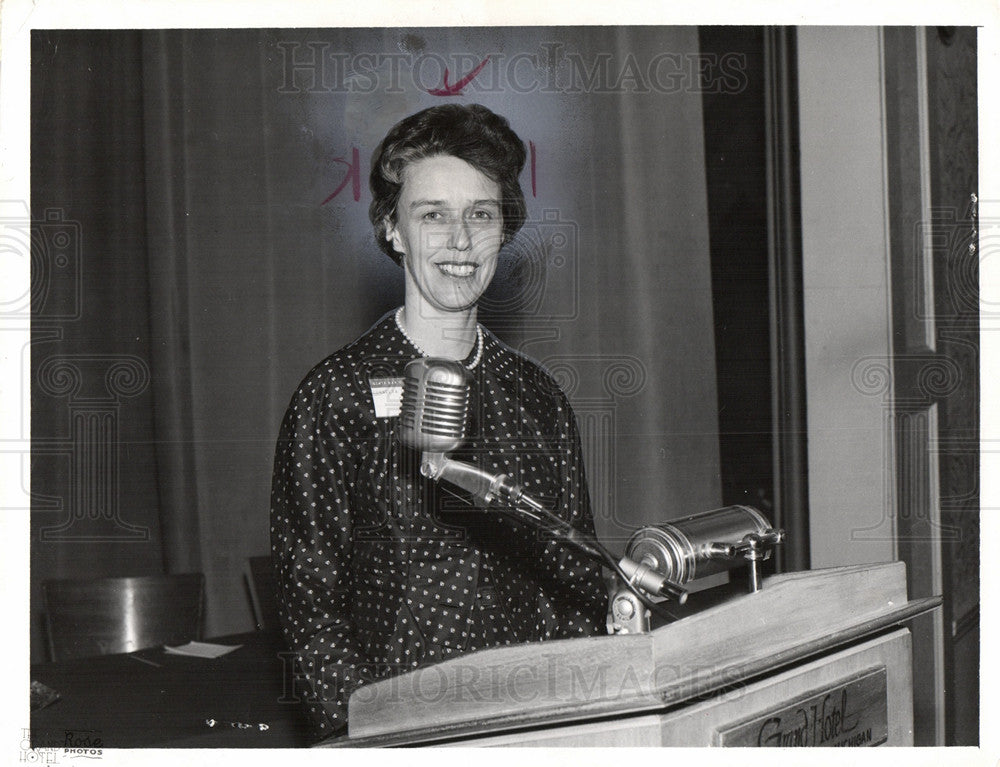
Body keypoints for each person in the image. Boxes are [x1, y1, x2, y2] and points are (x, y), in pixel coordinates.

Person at [270, 103, 607, 739]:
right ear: (392, 230)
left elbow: (578, 585)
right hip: (402, 736)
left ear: (504, 229)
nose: (460, 241)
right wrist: (372, 740)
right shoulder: (335, 395)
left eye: (480, 214)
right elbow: (310, 614)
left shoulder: (540, 399)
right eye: (433, 215)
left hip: (535, 728)